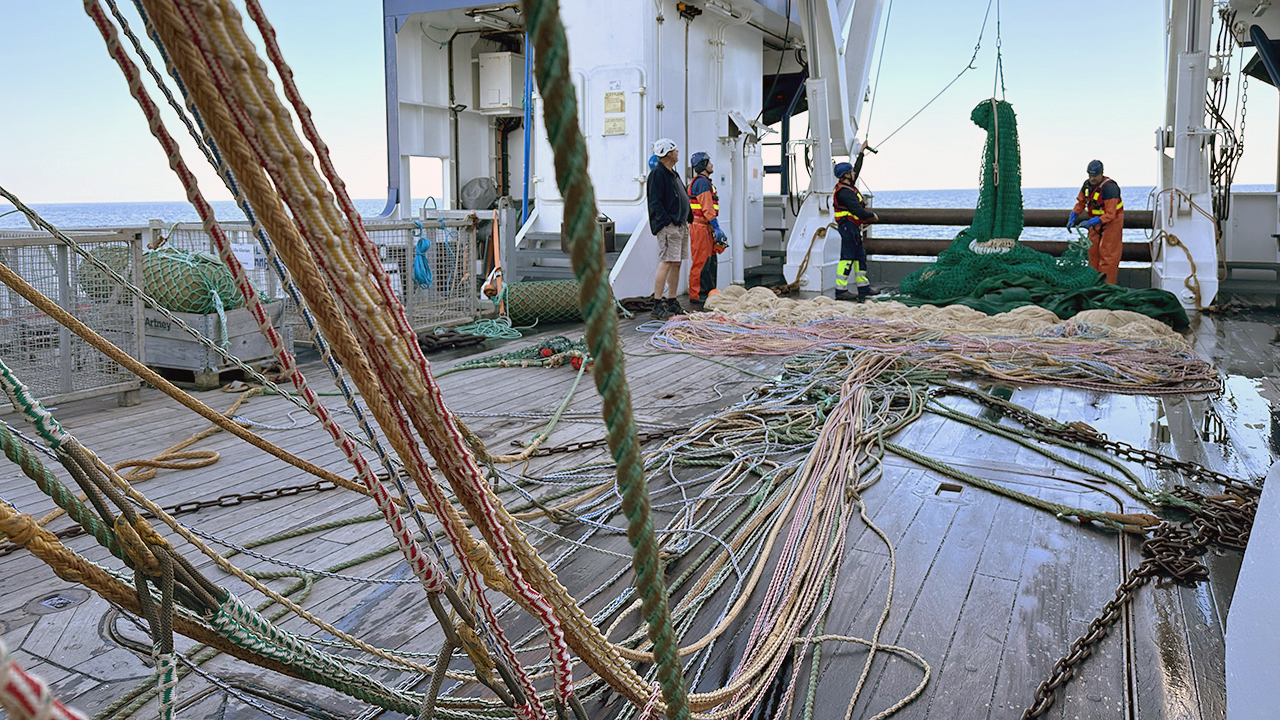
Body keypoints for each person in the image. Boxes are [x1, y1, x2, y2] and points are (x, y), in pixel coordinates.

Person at [646, 138, 691, 320]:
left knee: (676, 262)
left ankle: (672, 300)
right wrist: (666, 222)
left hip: (680, 225)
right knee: (666, 262)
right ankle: (657, 305)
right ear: (669, 153)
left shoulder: (673, 174)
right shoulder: (658, 174)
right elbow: (655, 202)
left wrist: (687, 217)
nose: (678, 152)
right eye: (675, 150)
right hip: (669, 227)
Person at [1067, 159, 1125, 283]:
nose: (1092, 179)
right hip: (1095, 221)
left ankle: (1106, 285)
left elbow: (1110, 214)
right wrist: (1073, 215)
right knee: (1092, 251)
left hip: (1112, 222)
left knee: (1108, 255)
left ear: (1101, 174)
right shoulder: (1087, 185)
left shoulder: (1110, 188)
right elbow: (1081, 202)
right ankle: (1092, 281)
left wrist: (1091, 223)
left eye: (1095, 176)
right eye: (1090, 175)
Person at [832, 160, 878, 300]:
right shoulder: (845, 193)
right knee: (847, 257)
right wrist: (871, 216)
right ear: (846, 175)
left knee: (859, 256)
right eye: (851, 171)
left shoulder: (847, 186)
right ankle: (841, 290)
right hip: (848, 227)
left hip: (853, 227)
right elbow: (857, 211)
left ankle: (863, 287)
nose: (854, 173)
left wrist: (862, 153)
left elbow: (857, 169)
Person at [687, 151, 728, 307]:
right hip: (700, 227)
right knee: (701, 262)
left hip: (706, 226)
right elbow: (707, 207)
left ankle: (709, 293)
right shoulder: (702, 183)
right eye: (709, 162)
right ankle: (698, 295)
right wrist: (716, 227)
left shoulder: (704, 182)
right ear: (703, 164)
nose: (711, 164)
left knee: (710, 261)